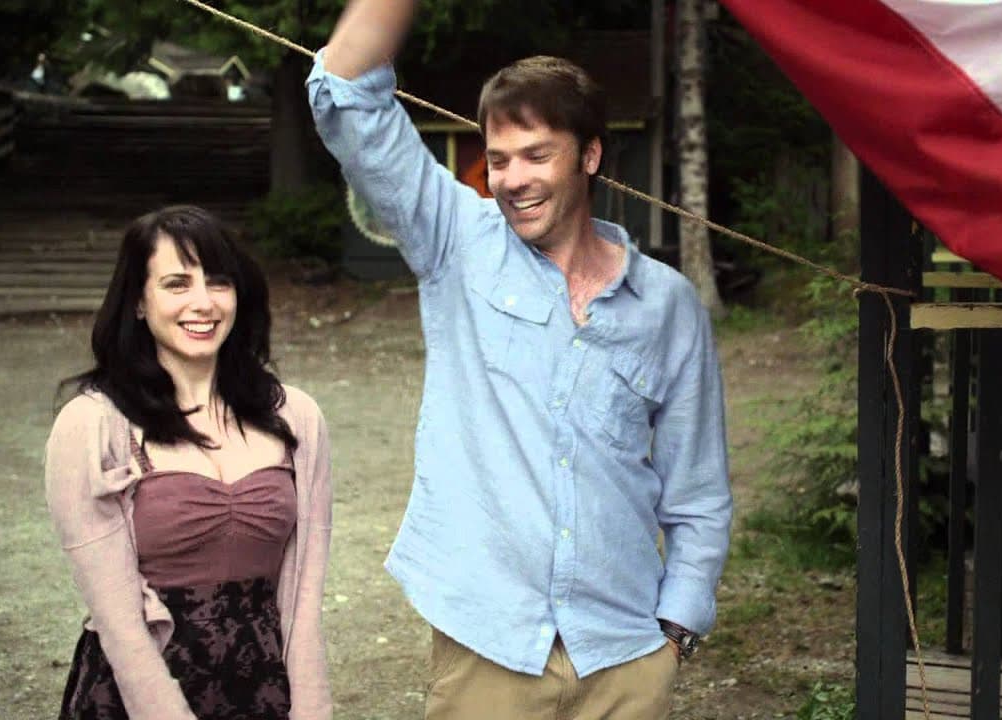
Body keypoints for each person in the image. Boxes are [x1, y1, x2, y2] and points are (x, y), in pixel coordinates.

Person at [308, 2, 732, 718]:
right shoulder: (454, 240)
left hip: (626, 656)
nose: (511, 179)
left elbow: (698, 490)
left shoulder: (668, 305)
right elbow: (348, 97)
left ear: (589, 156)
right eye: (497, 159)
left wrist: (676, 631)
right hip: (489, 649)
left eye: (537, 155)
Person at [44, 205, 333, 719]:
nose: (204, 302)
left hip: (264, 693)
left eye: (219, 282)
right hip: (137, 697)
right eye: (177, 284)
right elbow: (118, 622)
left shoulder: (296, 416)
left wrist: (311, 708)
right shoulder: (93, 424)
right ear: (138, 301)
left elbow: (304, 597)